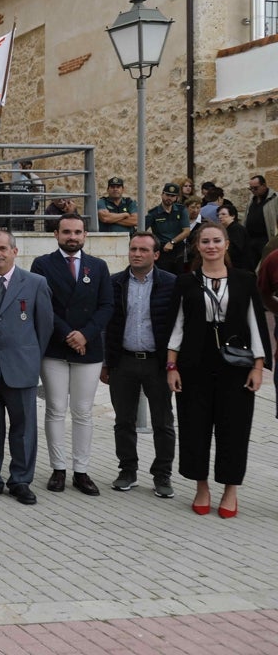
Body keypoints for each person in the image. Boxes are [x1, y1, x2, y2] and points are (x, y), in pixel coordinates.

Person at [166, 221, 270, 518]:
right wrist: (171, 366)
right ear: (197, 246)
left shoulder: (244, 280)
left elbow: (256, 324)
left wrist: (259, 367)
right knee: (194, 427)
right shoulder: (186, 282)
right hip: (193, 365)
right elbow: (177, 327)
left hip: (236, 366)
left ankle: (230, 490)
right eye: (205, 242)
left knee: (234, 429)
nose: (211, 246)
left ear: (226, 244)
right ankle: (201, 486)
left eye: (216, 241)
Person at [0, 230, 53, 505]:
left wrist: (29, 355)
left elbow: (45, 326)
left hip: (21, 367)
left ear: (14, 251)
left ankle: (20, 481)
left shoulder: (35, 282)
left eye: (2, 248)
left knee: (24, 428)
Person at [29, 213, 113, 497]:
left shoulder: (98, 266)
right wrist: (69, 334)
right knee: (54, 409)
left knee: (83, 412)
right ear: (56, 234)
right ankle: (58, 468)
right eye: (67, 232)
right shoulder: (42, 264)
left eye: (78, 232)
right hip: (55, 347)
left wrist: (85, 335)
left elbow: (106, 306)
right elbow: (44, 305)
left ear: (85, 235)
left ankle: (81, 470)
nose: (72, 237)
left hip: (88, 349)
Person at [101, 232, 177, 498]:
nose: (137, 254)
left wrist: (173, 365)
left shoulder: (171, 283)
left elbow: (178, 327)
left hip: (157, 363)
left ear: (156, 254)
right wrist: (107, 363)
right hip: (124, 361)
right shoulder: (115, 283)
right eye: (133, 248)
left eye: (144, 250)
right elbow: (108, 325)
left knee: (163, 422)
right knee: (124, 421)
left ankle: (162, 475)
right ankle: (127, 470)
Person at [146, 183, 190, 276]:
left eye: (172, 196)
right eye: (167, 195)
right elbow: (142, 230)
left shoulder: (181, 210)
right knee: (163, 277)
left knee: (179, 277)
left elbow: (186, 231)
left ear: (176, 198)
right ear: (162, 195)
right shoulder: (153, 213)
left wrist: (172, 242)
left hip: (178, 250)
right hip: (162, 251)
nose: (169, 198)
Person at [245, 174, 278, 268]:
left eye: (255, 188)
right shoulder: (252, 200)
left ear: (264, 185)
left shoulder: (275, 198)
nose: (253, 191)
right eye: (250, 189)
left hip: (266, 238)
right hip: (251, 239)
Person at [10, 159, 42, 232]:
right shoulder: (18, 177)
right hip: (21, 204)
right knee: (20, 223)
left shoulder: (33, 177)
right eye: (26, 168)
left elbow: (38, 189)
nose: (28, 169)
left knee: (28, 223)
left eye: (29, 168)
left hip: (30, 204)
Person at [217, 202, 250, 270]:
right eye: (218, 215)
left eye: (223, 214)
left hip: (240, 267)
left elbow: (235, 249)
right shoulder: (227, 229)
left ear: (232, 216)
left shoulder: (236, 229)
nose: (220, 217)